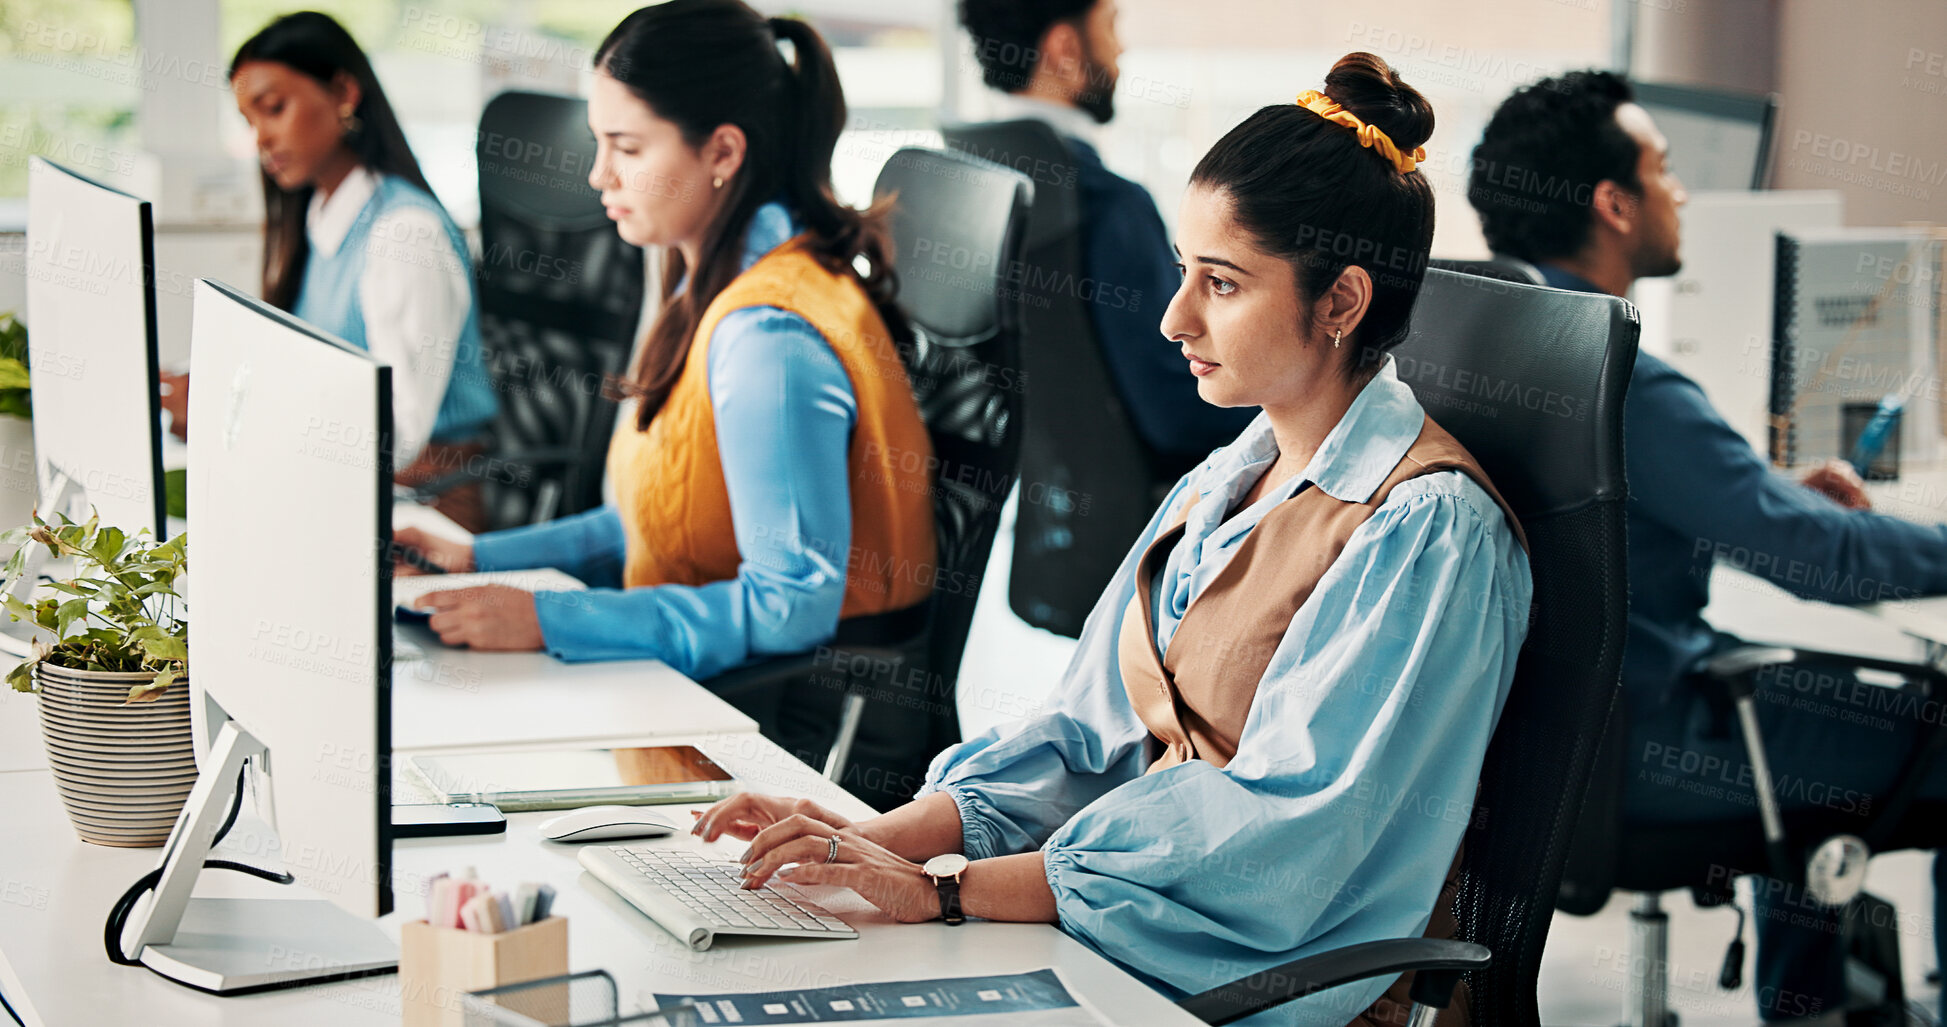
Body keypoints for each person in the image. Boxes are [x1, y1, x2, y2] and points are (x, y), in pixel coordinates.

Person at [694, 54, 1533, 1027]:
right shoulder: (1223, 477)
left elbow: (1279, 837)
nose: (1177, 317)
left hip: (1264, 986)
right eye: (1184, 271)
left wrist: (953, 890)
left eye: (1221, 283)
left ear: (1340, 302)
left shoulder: (1426, 531)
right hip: (1129, 941)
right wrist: (878, 838)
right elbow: (1082, 734)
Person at [1468, 70, 1947, 1023]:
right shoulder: (1624, 375)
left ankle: (1804, 1003)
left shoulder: (1504, 343)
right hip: (1655, 745)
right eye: (1663, 170)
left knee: (1806, 725)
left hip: (1543, 753)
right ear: (1613, 204)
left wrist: (1762, 503)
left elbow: (1641, 520)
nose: (1678, 192)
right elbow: (1820, 562)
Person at [395, 3, 934, 699]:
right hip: (701, 684)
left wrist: (553, 616)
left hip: (779, 728)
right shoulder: (712, 281)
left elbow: (790, 603)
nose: (599, 176)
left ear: (722, 153)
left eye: (627, 147)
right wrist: (478, 556)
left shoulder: (767, 336)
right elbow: (662, 516)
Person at [173, 12, 500, 529]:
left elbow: (397, 435)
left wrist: (243, 416)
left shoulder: (404, 234)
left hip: (428, 510)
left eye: (274, 108)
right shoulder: (321, 217)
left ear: (344, 93)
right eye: (248, 120)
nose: (260, 138)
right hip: (346, 489)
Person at [957, 0, 1256, 463]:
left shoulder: (970, 173)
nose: (1121, 49)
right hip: (1144, 516)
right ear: (1065, 48)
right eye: (1110, 26)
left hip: (1033, 511)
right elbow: (1177, 415)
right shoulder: (1108, 205)